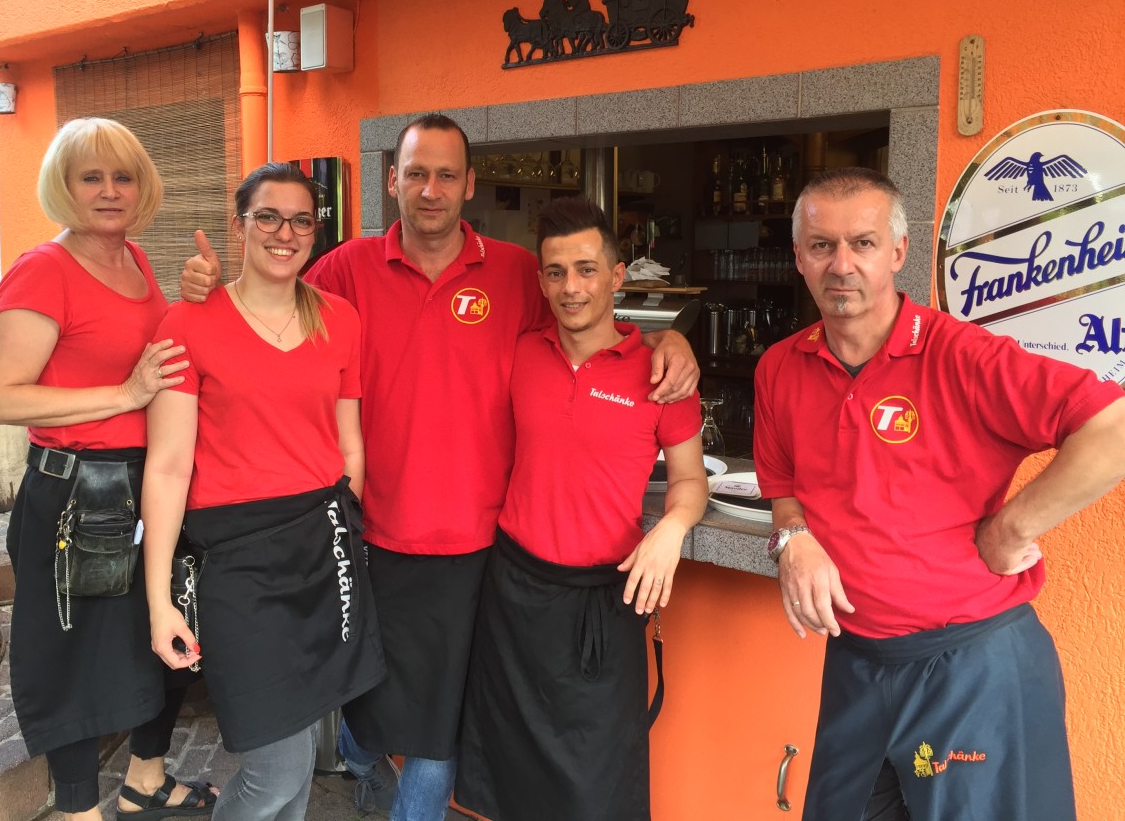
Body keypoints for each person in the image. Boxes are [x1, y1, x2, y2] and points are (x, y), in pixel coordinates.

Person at [181, 113, 698, 821]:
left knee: (440, 722)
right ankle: (361, 760)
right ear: (393, 180)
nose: (431, 189)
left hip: (478, 548)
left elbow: (584, 326)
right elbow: (268, 307)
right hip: (364, 535)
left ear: (469, 185)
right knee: (366, 696)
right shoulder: (344, 269)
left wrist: (666, 342)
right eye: (416, 173)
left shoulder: (516, 271)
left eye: (446, 175)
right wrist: (207, 291)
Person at [753, 167, 1125, 821]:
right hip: (858, 664)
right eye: (822, 246)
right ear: (798, 259)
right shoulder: (781, 366)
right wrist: (794, 539)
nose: (842, 264)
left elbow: (1112, 428)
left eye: (863, 243)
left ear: (898, 252)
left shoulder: (962, 357)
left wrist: (1011, 529)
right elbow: (782, 485)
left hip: (971, 672)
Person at [0, 118, 216, 821]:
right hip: (73, 492)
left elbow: (152, 353)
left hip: (146, 482)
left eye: (123, 177)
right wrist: (123, 394)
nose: (110, 191)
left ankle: (145, 781)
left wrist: (194, 300)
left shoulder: (135, 260)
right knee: (72, 656)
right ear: (64, 186)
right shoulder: (43, 269)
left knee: (167, 629)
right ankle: (79, 808)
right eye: (91, 177)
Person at [141, 162, 385, 821]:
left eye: (301, 219)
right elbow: (167, 466)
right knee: (276, 766)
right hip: (239, 563)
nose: (285, 232)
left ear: (316, 231)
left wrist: (348, 536)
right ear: (240, 224)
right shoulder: (187, 322)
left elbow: (350, 444)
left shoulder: (342, 320)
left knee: (303, 745)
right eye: (268, 216)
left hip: (321, 550)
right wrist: (159, 598)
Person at [455, 198, 707, 821]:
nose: (572, 287)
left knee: (597, 782)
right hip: (512, 594)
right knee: (510, 772)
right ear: (540, 279)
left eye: (588, 269)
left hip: (604, 601)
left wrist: (672, 528)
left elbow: (691, 480)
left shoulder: (660, 373)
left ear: (617, 276)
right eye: (557, 272)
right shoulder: (520, 355)